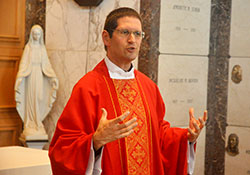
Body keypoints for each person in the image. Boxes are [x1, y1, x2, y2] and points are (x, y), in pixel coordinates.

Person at [49, 7, 207, 175]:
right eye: (125, 32)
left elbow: (158, 134)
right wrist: (95, 141)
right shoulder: (88, 87)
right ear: (106, 38)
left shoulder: (148, 86)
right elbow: (62, 149)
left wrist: (185, 138)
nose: (132, 40)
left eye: (138, 34)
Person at [15, 25, 58, 139]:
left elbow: (47, 65)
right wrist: (20, 77)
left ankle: (37, 122)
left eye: (38, 34)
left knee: (39, 98)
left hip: (39, 76)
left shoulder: (42, 49)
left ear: (41, 36)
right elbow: (23, 64)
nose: (36, 36)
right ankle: (30, 123)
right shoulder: (28, 48)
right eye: (34, 34)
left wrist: (53, 77)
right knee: (31, 99)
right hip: (30, 77)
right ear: (31, 35)